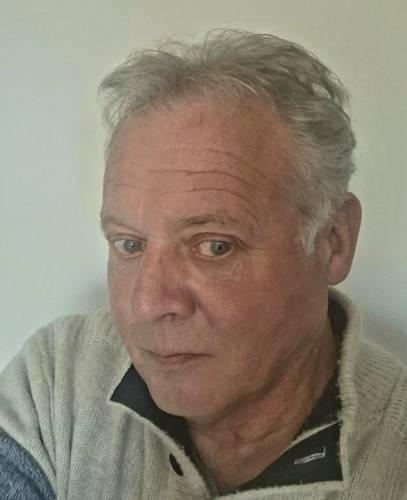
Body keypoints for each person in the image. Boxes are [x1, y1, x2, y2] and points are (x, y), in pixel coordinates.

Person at [0, 29, 406, 500]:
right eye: (129, 244)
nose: (147, 304)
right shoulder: (58, 381)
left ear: (333, 242)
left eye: (214, 246)